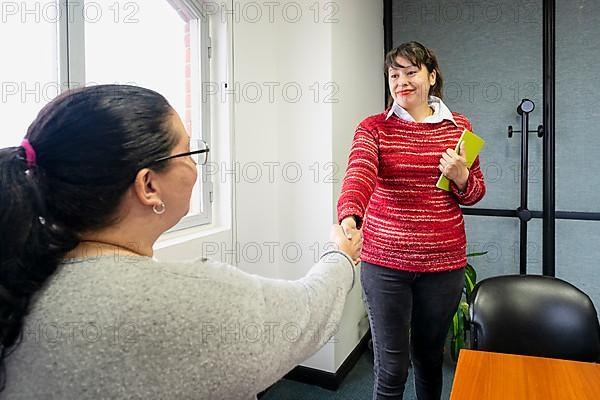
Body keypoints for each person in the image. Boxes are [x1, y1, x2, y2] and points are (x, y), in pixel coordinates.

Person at [0, 84, 361, 400]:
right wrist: (342, 254)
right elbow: (308, 313)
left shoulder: (17, 281)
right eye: (187, 153)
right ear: (148, 186)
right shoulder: (196, 299)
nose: (194, 167)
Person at [337, 41, 486, 400]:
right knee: (391, 367)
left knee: (429, 359)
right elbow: (359, 173)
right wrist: (349, 217)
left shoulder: (458, 128)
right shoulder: (374, 128)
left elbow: (475, 193)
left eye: (410, 72)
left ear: (431, 76)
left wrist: (462, 176)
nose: (401, 81)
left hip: (443, 263)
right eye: (394, 74)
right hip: (385, 262)